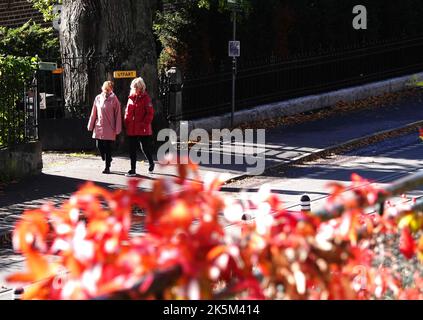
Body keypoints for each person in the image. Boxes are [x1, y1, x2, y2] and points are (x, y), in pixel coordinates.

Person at [87, 80, 122, 174]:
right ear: (102, 88)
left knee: (108, 147)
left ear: (111, 89)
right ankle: (107, 158)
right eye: (105, 88)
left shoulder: (115, 100)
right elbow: (93, 113)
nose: (106, 91)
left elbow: (118, 115)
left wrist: (117, 128)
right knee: (99, 145)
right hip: (99, 126)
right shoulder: (98, 98)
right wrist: (90, 125)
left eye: (108, 89)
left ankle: (107, 167)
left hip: (109, 127)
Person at [124, 77, 155, 177]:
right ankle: (132, 169)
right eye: (133, 87)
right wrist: (126, 121)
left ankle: (151, 163)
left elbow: (150, 113)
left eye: (136, 87)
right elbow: (127, 112)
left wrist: (144, 124)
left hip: (142, 128)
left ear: (141, 87)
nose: (134, 88)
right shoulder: (131, 98)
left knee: (144, 148)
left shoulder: (146, 98)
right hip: (132, 127)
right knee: (132, 149)